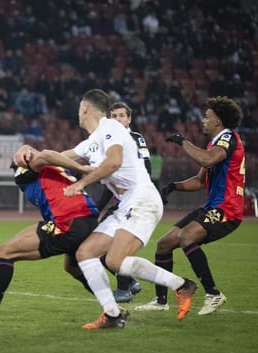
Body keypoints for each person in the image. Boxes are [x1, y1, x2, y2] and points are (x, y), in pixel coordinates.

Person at [15, 89, 197, 329]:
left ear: (85, 107)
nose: (77, 113)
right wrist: (27, 151)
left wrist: (81, 183)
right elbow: (54, 158)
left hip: (142, 198)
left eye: (79, 108)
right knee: (85, 253)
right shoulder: (91, 142)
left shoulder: (111, 128)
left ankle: (182, 285)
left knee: (115, 261)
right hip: (126, 204)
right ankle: (112, 314)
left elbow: (114, 162)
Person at [0, 145, 99, 327]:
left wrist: (82, 168)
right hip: (87, 219)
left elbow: (45, 154)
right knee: (72, 268)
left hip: (68, 222)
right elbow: (45, 155)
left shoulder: (29, 173)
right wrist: (26, 149)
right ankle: (112, 306)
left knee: (5, 252)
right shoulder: (53, 168)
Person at [135, 96, 245, 316]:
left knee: (186, 236)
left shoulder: (228, 138)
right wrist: (173, 186)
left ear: (218, 121)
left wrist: (183, 141)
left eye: (207, 117)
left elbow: (206, 160)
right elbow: (200, 180)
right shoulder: (213, 144)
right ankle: (160, 300)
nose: (202, 120)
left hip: (227, 209)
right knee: (164, 244)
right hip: (211, 207)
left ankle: (213, 293)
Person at [95, 102, 149, 303]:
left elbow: (147, 168)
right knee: (95, 246)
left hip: (135, 200)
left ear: (129, 119)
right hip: (120, 202)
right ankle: (129, 282)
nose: (117, 120)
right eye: (113, 116)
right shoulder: (108, 142)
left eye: (121, 116)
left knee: (117, 245)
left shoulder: (135, 139)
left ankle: (124, 289)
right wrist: (96, 209)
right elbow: (108, 180)